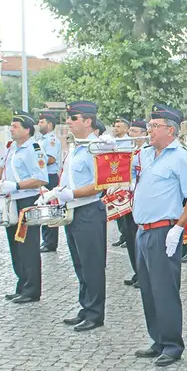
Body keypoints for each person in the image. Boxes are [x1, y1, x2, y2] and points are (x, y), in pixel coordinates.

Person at [131, 104, 187, 367]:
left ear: (170, 130)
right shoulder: (145, 154)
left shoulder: (181, 156)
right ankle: (158, 339)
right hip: (142, 230)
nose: (149, 130)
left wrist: (178, 227)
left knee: (164, 290)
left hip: (164, 230)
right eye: (149, 125)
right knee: (149, 290)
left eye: (154, 126)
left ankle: (173, 344)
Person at [44, 101, 108, 332]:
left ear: (87, 121)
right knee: (80, 264)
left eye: (73, 118)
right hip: (73, 211)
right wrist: (55, 193)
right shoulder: (76, 148)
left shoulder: (96, 148)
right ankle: (85, 307)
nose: (68, 122)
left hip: (89, 210)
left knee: (92, 264)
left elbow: (101, 184)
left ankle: (95, 313)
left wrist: (71, 193)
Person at [0, 111, 48, 303]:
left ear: (27, 130)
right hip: (11, 199)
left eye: (15, 127)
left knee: (28, 245)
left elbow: (41, 178)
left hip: (27, 200)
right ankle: (21, 284)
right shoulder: (11, 147)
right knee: (15, 244)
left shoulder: (34, 148)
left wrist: (18, 185)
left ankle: (32, 290)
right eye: (11, 126)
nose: (11, 129)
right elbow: (1, 166)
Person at [121, 119, 147, 288]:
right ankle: (137, 271)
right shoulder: (129, 150)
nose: (131, 134)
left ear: (144, 134)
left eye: (135, 131)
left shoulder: (147, 152)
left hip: (140, 201)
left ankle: (143, 274)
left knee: (139, 239)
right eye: (130, 131)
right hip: (126, 201)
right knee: (130, 237)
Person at [37, 111, 62, 253]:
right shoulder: (41, 140)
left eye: (42, 122)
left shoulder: (51, 140)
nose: (39, 124)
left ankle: (50, 242)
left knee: (50, 210)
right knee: (43, 209)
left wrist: (36, 161)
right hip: (43, 177)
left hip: (50, 177)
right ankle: (46, 239)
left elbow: (51, 158)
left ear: (50, 124)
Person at [111, 116, 133, 248]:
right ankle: (123, 235)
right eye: (115, 126)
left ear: (126, 128)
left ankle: (128, 235)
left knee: (126, 210)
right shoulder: (113, 142)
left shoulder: (129, 142)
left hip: (125, 179)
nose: (115, 128)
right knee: (117, 210)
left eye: (118, 126)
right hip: (115, 179)